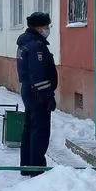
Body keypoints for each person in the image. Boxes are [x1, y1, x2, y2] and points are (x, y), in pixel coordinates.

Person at [16, 12, 58, 177]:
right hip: (37, 93)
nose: (48, 29)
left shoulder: (26, 43)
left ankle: (27, 165)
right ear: (39, 28)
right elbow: (38, 74)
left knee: (29, 128)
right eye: (47, 26)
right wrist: (48, 96)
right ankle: (37, 169)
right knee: (39, 131)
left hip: (29, 91)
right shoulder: (36, 46)